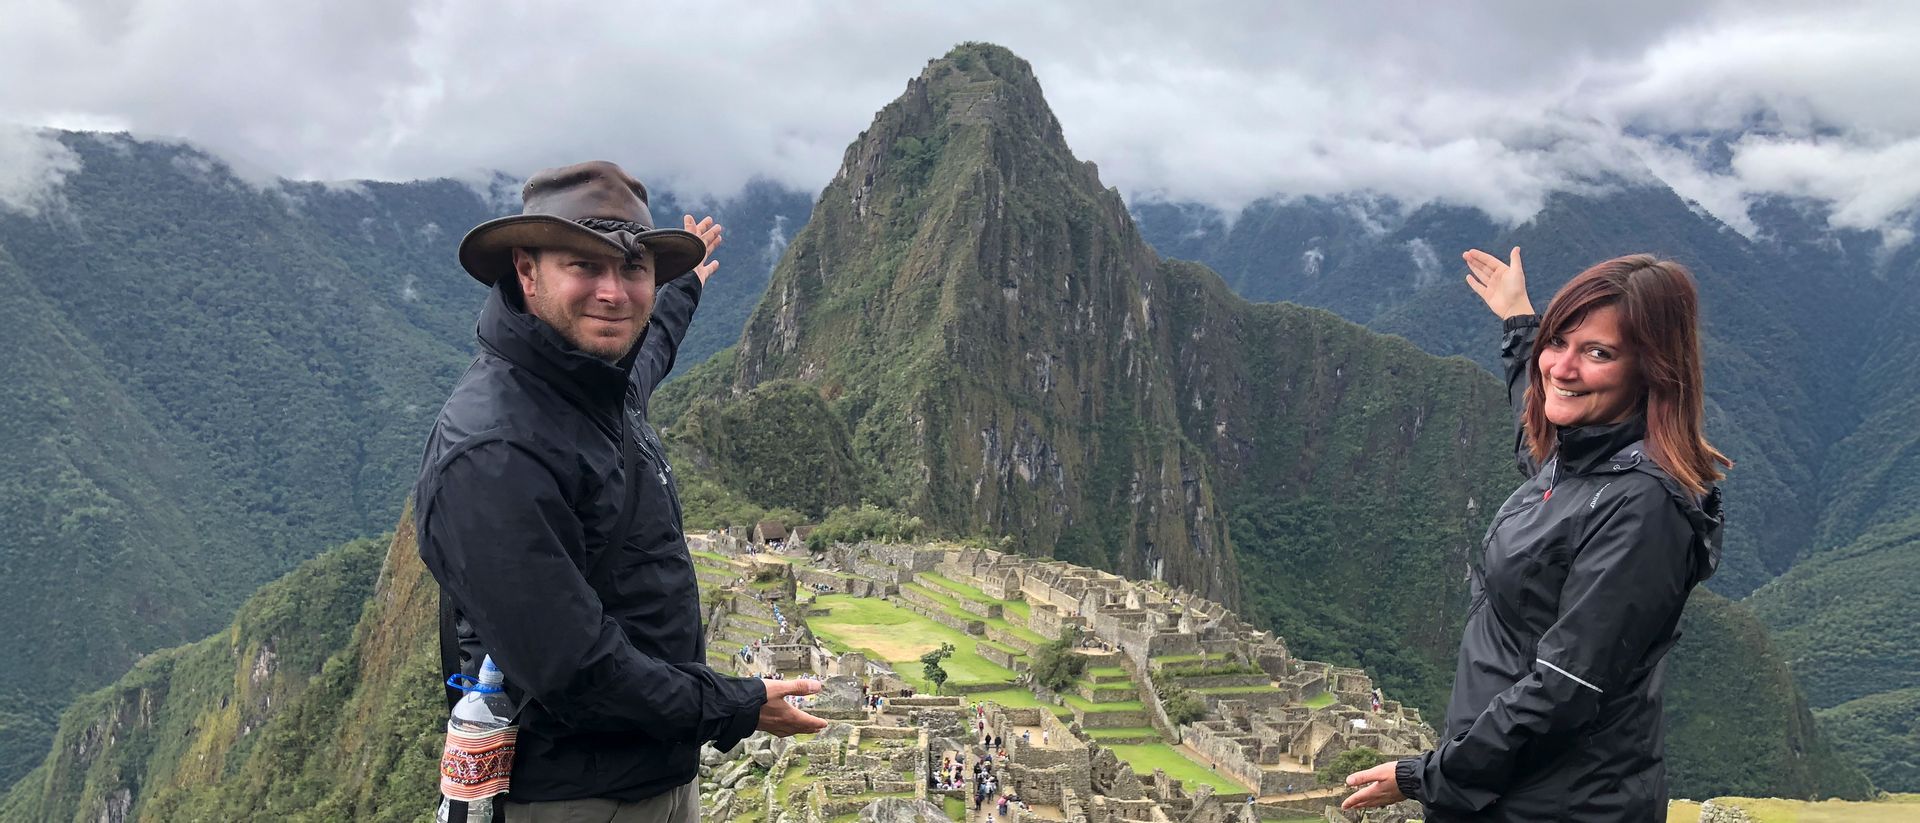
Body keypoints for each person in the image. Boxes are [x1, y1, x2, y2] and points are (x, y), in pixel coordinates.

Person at [416, 161, 827, 820]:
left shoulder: (600, 388)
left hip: (658, 770)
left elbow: (651, 342)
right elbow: (579, 672)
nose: (614, 292)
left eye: (634, 269)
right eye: (584, 265)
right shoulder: (495, 452)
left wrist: (685, 285)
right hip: (572, 796)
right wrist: (740, 704)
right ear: (527, 270)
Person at [1342, 249, 1727, 821]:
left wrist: (1427, 776)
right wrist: (1522, 324)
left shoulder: (1644, 506)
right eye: (1558, 342)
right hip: (1508, 785)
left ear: (1652, 368)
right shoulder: (1581, 459)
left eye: (1597, 353)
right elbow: (1541, 428)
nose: (1562, 368)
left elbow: (1565, 689)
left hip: (1556, 803)